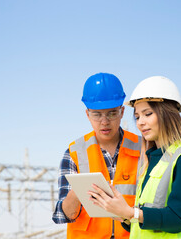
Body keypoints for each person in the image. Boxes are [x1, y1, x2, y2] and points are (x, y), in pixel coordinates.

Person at [88, 76, 181, 238]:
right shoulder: (151, 161)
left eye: (147, 114)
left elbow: (178, 219)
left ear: (168, 114)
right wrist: (124, 215)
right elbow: (150, 221)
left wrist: (131, 212)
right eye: (137, 116)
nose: (140, 122)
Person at [52, 72, 142, 239]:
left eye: (112, 113)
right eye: (97, 114)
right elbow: (63, 215)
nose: (105, 121)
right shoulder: (74, 152)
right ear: (88, 114)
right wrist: (79, 190)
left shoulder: (143, 147)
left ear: (122, 112)